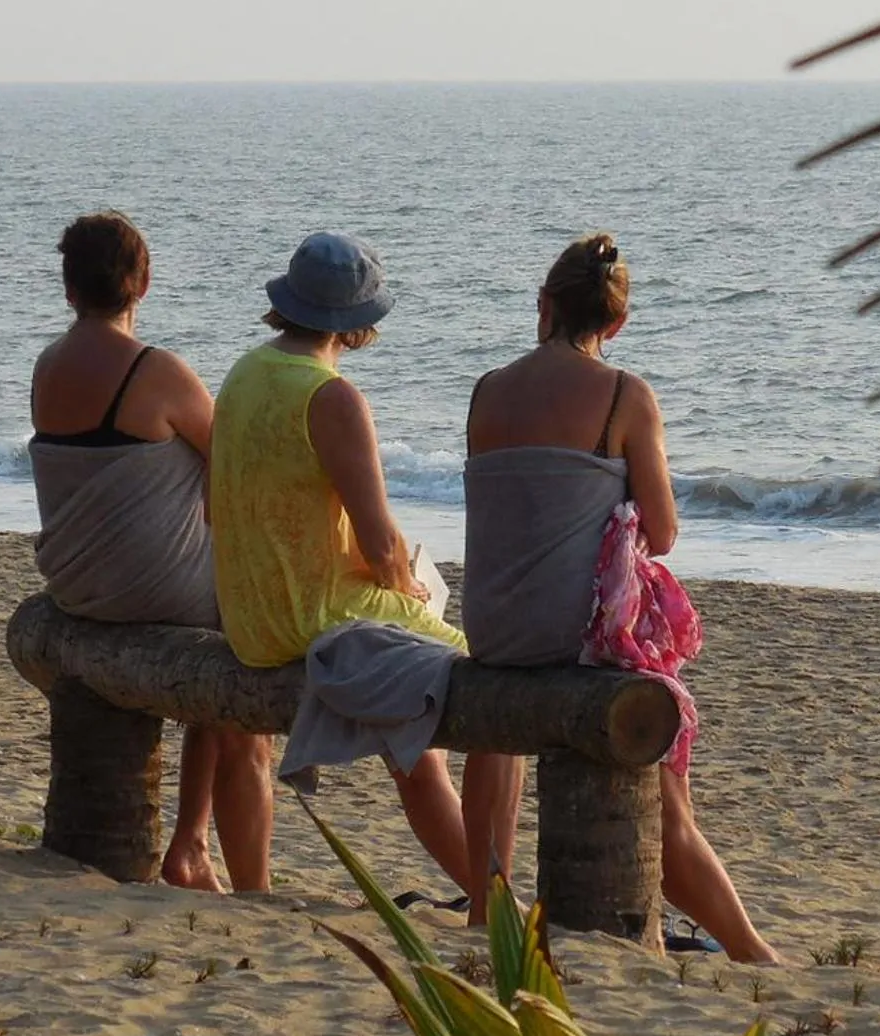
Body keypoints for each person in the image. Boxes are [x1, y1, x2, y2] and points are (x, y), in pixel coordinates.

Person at [463, 232, 778, 963]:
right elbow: (662, 534)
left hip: (492, 628)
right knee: (661, 758)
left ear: (542, 305)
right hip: (569, 637)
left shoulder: (487, 389)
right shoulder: (624, 395)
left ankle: (485, 907)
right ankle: (750, 948)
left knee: (496, 727)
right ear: (616, 323)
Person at [208, 230, 517, 915]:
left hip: (250, 613)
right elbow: (377, 541)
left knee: (417, 749)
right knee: (492, 694)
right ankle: (491, 899)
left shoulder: (242, 375)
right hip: (316, 615)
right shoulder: (332, 399)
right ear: (357, 323)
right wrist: (403, 581)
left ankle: (254, 894)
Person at [28, 212, 272, 895]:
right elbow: (234, 465)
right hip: (150, 589)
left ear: (69, 289)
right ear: (144, 283)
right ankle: (195, 845)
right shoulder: (156, 371)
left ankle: (193, 843)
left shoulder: (48, 367)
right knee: (239, 651)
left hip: (77, 584)